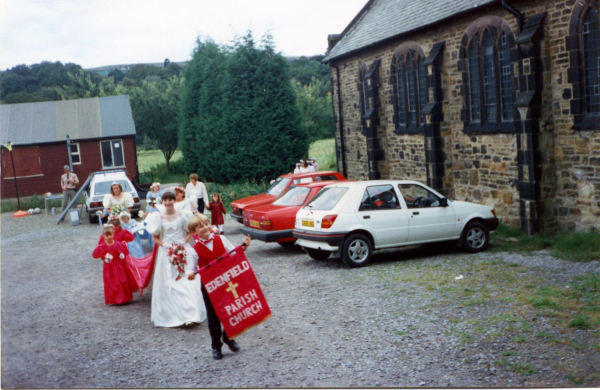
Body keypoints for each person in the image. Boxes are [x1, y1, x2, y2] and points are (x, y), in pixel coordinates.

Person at [188, 214, 251, 360]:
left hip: (226, 281)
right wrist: (190, 274)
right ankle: (216, 345)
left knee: (232, 310)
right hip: (209, 285)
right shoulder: (194, 250)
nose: (205, 228)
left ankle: (228, 337)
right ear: (194, 233)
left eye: (206, 224)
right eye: (200, 226)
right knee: (213, 316)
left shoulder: (220, 239)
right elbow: (191, 268)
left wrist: (244, 246)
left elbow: (233, 253)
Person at [144, 188, 206, 328]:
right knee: (171, 282)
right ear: (163, 201)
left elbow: (190, 231)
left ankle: (191, 314)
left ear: (174, 201)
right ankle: (175, 313)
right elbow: (154, 237)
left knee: (186, 280)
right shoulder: (158, 217)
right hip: (167, 253)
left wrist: (184, 240)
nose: (168, 203)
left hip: (182, 250)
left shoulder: (183, 214)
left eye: (170, 200)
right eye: (165, 200)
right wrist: (164, 245)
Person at [92, 225, 135, 305]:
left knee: (122, 280)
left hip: (119, 266)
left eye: (110, 235)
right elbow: (97, 255)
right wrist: (105, 257)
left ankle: (124, 298)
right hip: (109, 267)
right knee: (113, 283)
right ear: (103, 236)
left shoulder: (117, 244)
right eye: (107, 235)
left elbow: (123, 252)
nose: (109, 237)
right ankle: (115, 299)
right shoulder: (102, 246)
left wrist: (121, 254)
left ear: (113, 234)